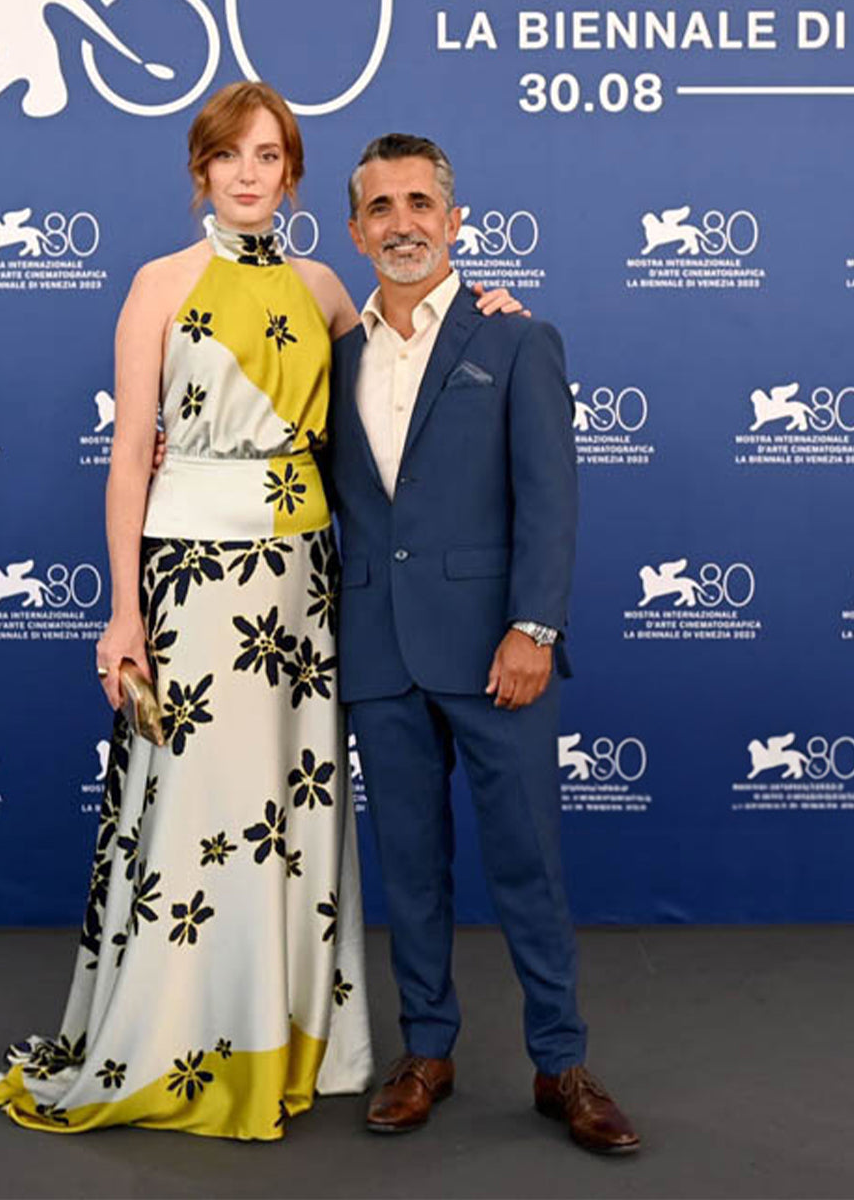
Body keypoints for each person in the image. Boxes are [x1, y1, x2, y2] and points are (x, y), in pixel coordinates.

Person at [0, 84, 517, 1141]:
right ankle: (181, 1038)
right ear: (201, 170)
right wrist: (122, 613)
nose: (246, 173)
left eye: (267, 156)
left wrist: (483, 308)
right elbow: (131, 454)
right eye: (228, 154)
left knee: (290, 815)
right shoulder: (158, 286)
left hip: (304, 589)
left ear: (292, 176)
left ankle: (289, 1039)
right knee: (193, 815)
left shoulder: (327, 287)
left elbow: (407, 353)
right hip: (192, 584)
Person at [328, 133, 640, 1154]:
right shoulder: (335, 355)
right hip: (378, 650)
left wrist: (533, 626)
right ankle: (427, 1052)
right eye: (381, 207)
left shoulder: (515, 338)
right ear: (355, 228)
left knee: (527, 865)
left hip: (499, 652)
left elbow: (551, 497)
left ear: (454, 222)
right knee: (409, 867)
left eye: (421, 203)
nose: (403, 222)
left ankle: (561, 1064)